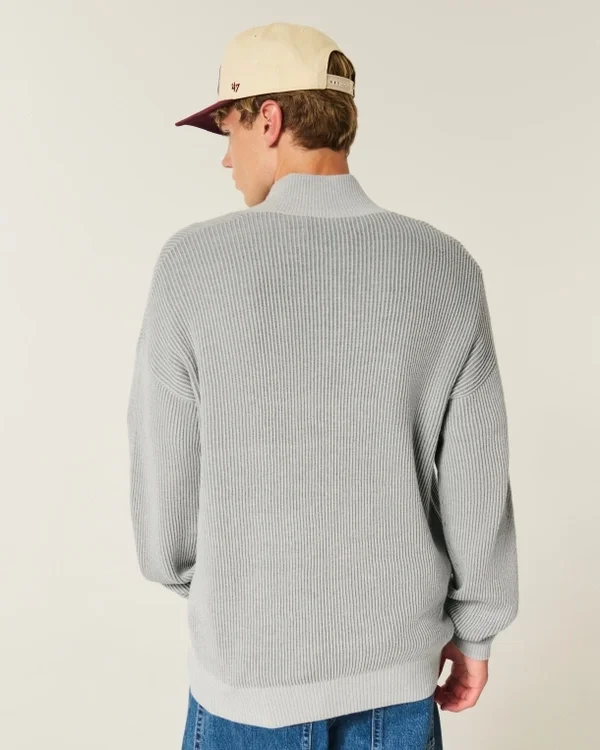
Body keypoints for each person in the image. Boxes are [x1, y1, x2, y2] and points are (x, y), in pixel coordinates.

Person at [126, 21, 519, 750]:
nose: (226, 158)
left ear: (268, 120)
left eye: (227, 129)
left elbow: (165, 498)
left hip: (244, 682)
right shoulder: (444, 266)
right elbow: (477, 477)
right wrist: (476, 632)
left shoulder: (192, 265)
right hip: (395, 682)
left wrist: (226, 592)